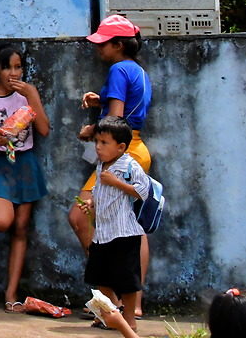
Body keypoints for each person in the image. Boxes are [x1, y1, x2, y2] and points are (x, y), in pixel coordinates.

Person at [70, 13, 154, 315]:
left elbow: (115, 121)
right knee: (131, 226)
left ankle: (112, 302)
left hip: (120, 151)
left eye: (103, 43)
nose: (98, 48)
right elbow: (126, 108)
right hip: (135, 149)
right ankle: (132, 305)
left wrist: (92, 130)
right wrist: (101, 101)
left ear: (118, 44)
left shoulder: (118, 69)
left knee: (80, 216)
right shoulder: (136, 70)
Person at [0, 42, 50, 312]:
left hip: (25, 163)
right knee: (2, 221)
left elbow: (44, 130)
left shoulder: (27, 94)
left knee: (21, 228)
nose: (13, 73)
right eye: (7, 68)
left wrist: (32, 95)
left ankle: (11, 293)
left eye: (18, 67)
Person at [85, 116, 153, 332]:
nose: (98, 147)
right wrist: (91, 203)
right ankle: (108, 315)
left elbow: (143, 191)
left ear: (121, 147)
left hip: (124, 233)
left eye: (104, 143)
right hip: (103, 233)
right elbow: (98, 190)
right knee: (101, 277)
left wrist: (117, 183)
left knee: (127, 281)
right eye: (97, 142)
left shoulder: (130, 165)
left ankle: (129, 320)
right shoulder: (101, 165)